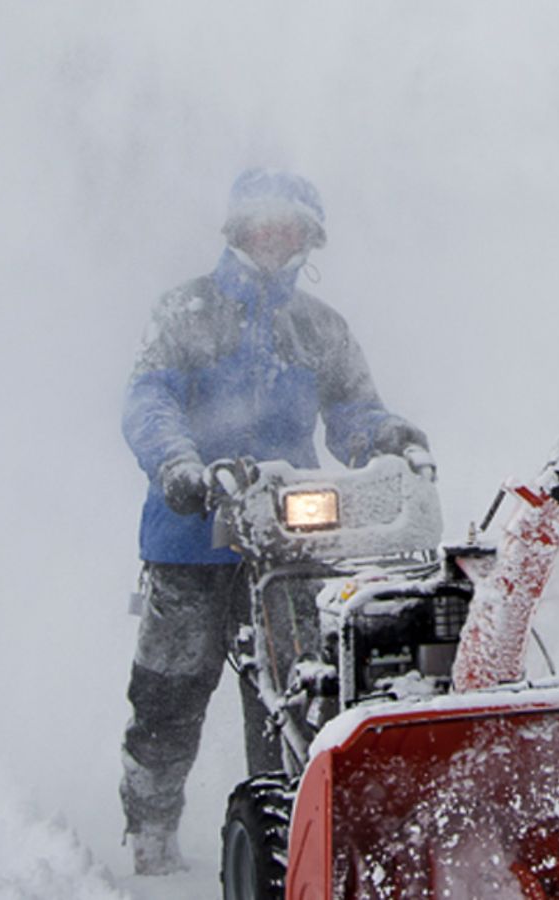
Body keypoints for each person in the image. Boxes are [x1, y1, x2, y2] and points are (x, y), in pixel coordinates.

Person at [119, 168, 429, 875]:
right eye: (261, 223)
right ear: (237, 228)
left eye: (288, 225)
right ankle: (152, 827)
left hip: (291, 543)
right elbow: (149, 398)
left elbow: (352, 410)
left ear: (308, 235)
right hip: (191, 535)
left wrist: (385, 436)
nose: (273, 236)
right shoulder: (187, 312)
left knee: (294, 694)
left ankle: (286, 840)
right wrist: (178, 465)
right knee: (171, 687)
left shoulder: (320, 328)